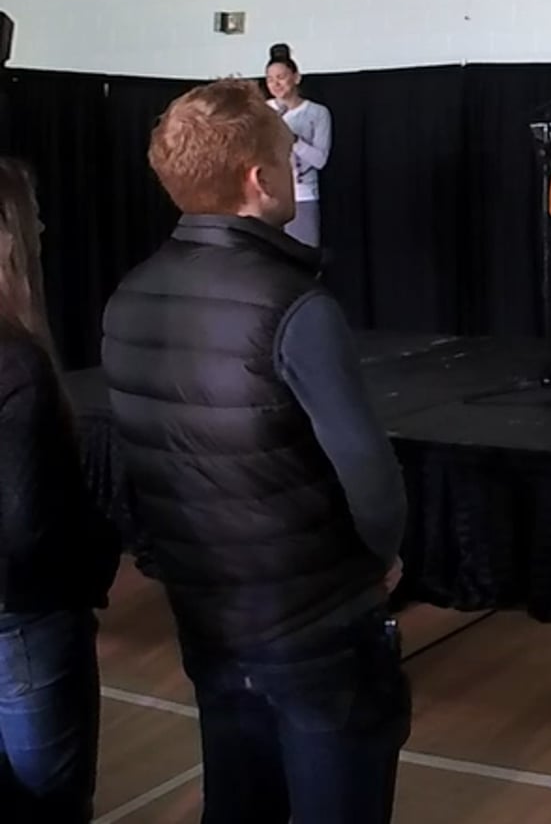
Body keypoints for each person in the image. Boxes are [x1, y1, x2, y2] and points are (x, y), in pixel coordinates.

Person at [102, 79, 409, 824]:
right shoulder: (295, 306)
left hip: (206, 614)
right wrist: (378, 560)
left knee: (239, 802)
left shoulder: (129, 296)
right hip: (317, 628)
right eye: (284, 153)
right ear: (259, 178)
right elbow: (370, 479)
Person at [0, 159, 117, 824]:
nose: (43, 228)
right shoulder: (17, 363)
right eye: (33, 216)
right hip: (25, 623)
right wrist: (96, 547)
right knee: (51, 803)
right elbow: (25, 532)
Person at [265, 44, 331, 249]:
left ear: (296, 77)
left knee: (303, 254)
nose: (275, 84)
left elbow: (320, 160)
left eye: (281, 77)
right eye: (270, 79)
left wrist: (293, 140)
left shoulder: (317, 113)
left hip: (302, 196)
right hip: (269, 195)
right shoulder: (263, 111)